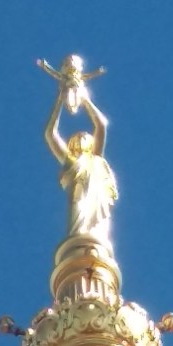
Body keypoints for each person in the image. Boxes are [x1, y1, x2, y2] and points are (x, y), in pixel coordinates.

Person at [40, 61, 118, 247]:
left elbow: (101, 125)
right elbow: (50, 134)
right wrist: (59, 98)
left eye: (85, 136)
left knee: (98, 233)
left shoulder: (96, 158)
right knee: (80, 228)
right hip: (80, 198)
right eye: (76, 138)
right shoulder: (71, 161)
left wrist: (85, 100)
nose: (81, 137)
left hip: (98, 201)